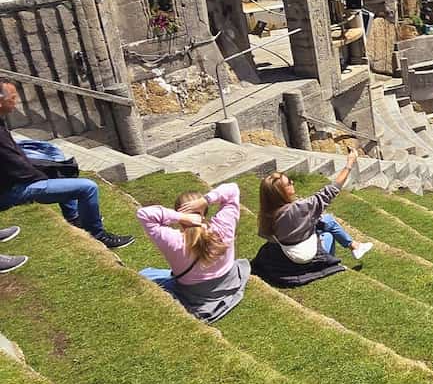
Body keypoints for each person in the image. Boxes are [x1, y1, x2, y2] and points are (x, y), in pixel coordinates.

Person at [0, 81, 133, 250]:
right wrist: (45, 173)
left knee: (56, 160)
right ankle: (98, 236)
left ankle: (74, 218)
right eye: (12, 98)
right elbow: (17, 169)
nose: (16, 101)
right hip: (12, 190)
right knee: (88, 187)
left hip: (13, 180)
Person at [136, 184, 249, 324]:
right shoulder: (224, 226)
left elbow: (144, 214)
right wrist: (206, 199)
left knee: (146, 273)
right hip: (231, 282)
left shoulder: (173, 240)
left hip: (196, 297)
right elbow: (232, 189)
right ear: (204, 211)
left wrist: (180, 217)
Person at [257, 151, 373, 265]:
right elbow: (331, 190)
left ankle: (354, 246)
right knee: (328, 235)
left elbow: (267, 236)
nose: (292, 182)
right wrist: (349, 164)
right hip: (303, 255)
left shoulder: (266, 214)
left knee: (326, 220)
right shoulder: (298, 209)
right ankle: (327, 263)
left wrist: (293, 233)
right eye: (289, 183)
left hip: (290, 249)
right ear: (280, 192)